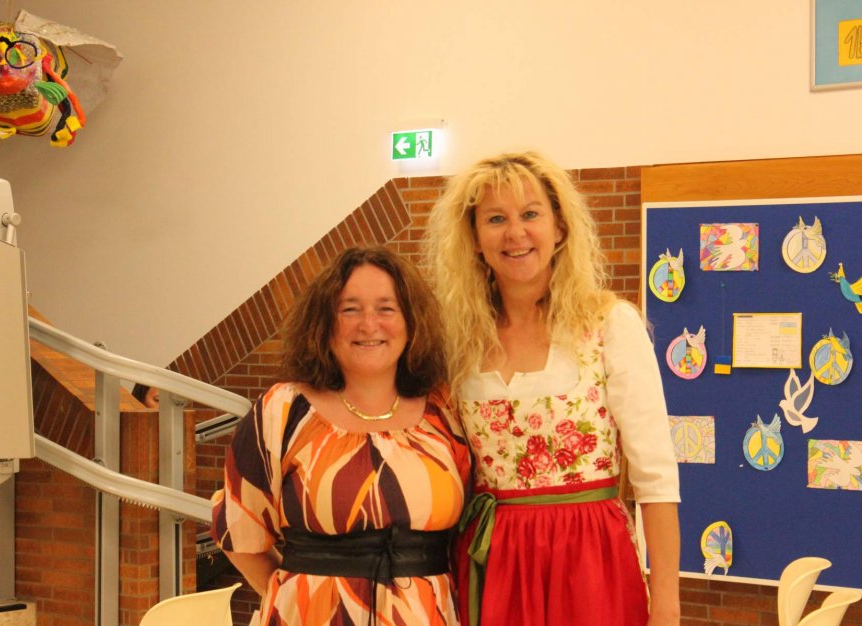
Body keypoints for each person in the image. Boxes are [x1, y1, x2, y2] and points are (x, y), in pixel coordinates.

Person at [426, 151, 680, 626]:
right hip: (493, 559)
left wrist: (666, 607)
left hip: (590, 558)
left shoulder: (609, 325)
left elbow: (656, 479)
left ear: (559, 228)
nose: (515, 233)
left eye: (530, 214)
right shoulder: (457, 341)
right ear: (474, 239)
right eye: (495, 219)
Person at [210, 245, 471, 625]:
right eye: (350, 309)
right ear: (324, 323)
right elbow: (241, 536)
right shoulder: (282, 411)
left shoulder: (445, 412)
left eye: (386, 308)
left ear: (412, 321)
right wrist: (298, 599)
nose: (369, 324)